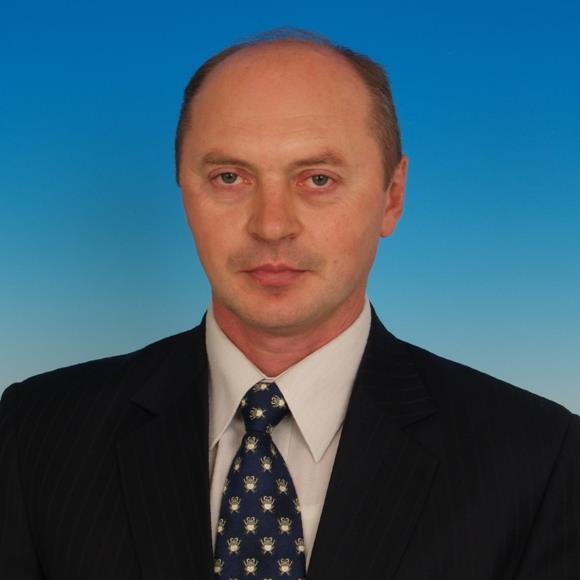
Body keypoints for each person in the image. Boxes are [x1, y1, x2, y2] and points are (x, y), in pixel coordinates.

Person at [1, 30, 579, 580]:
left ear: (392, 196)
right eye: (230, 177)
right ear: (182, 188)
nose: (272, 225)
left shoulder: (538, 457)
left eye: (318, 179)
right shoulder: (37, 435)